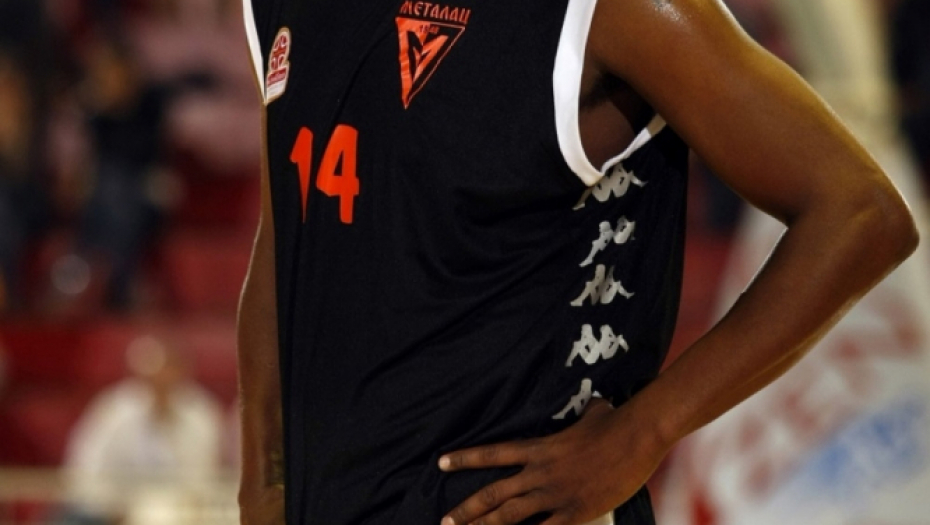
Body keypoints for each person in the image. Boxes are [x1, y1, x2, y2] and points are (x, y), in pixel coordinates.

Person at [235, 1, 919, 524]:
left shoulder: (609, 12)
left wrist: (644, 431)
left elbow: (860, 214)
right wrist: (263, 477)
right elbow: (286, 236)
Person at [64, 335, 223, 524]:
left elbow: (203, 478)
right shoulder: (114, 409)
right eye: (154, 369)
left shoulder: (201, 413)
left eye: (169, 368)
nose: (162, 377)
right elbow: (86, 469)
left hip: (181, 512)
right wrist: (113, 511)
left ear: (181, 370)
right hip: (114, 512)